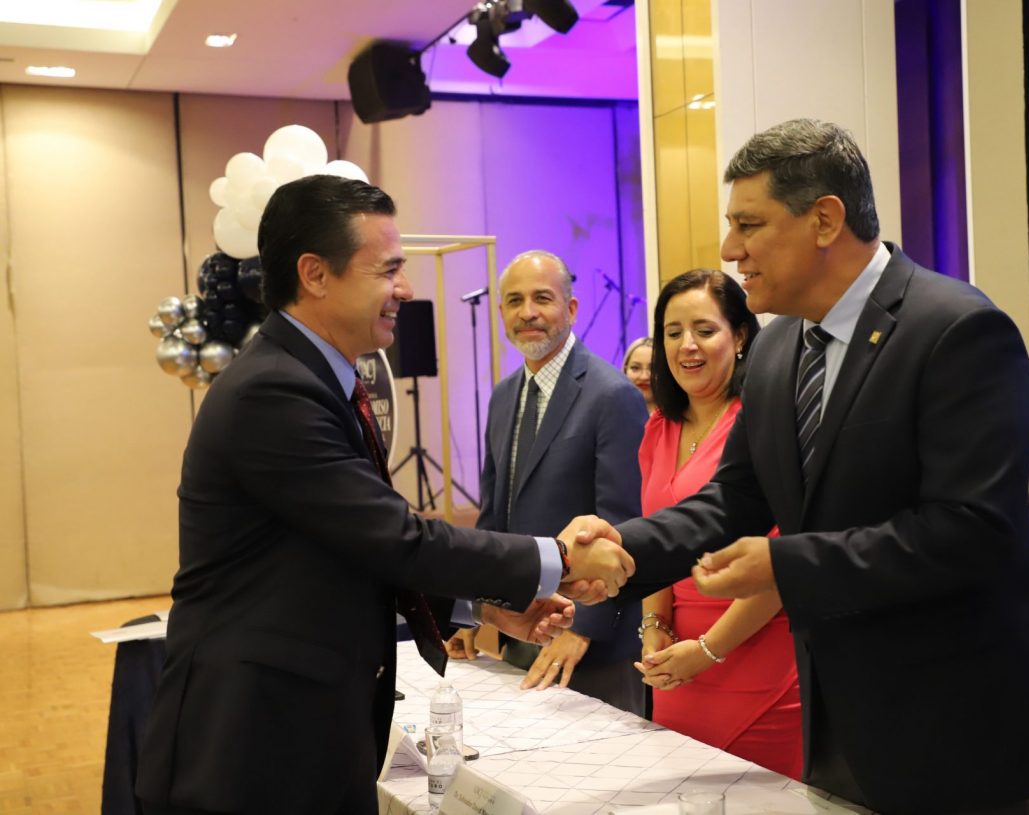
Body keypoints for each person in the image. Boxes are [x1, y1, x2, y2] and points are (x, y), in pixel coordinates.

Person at [600, 119, 1029, 814]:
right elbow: (734, 499)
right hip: (840, 731)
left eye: (749, 225)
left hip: (965, 735)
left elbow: (970, 530)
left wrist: (783, 564)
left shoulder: (957, 329)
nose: (730, 250)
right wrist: (617, 550)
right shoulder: (776, 348)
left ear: (824, 219)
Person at [134, 175, 633, 815]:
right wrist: (558, 559)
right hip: (253, 740)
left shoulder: (311, 378)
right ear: (315, 274)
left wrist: (485, 607)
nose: (406, 289)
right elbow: (395, 538)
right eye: (388, 269)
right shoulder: (275, 392)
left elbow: (354, 548)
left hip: (298, 730)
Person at [446, 250, 647, 714]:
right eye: (515, 301)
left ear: (571, 308)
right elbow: (493, 518)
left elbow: (624, 527)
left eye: (542, 298)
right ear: (501, 313)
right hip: (522, 630)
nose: (528, 312)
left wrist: (583, 628)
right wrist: (475, 611)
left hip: (591, 649)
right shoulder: (503, 397)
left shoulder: (612, 395)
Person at [634, 269, 801, 778]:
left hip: (756, 657)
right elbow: (658, 538)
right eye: (673, 332)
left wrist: (708, 651)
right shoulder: (659, 426)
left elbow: (781, 564)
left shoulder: (763, 421)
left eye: (704, 330)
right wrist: (655, 628)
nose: (687, 345)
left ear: (741, 335)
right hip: (677, 665)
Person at [622, 336, 655, 413]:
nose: (644, 377)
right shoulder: (611, 413)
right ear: (625, 370)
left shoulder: (680, 416)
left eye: (653, 369)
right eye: (635, 368)